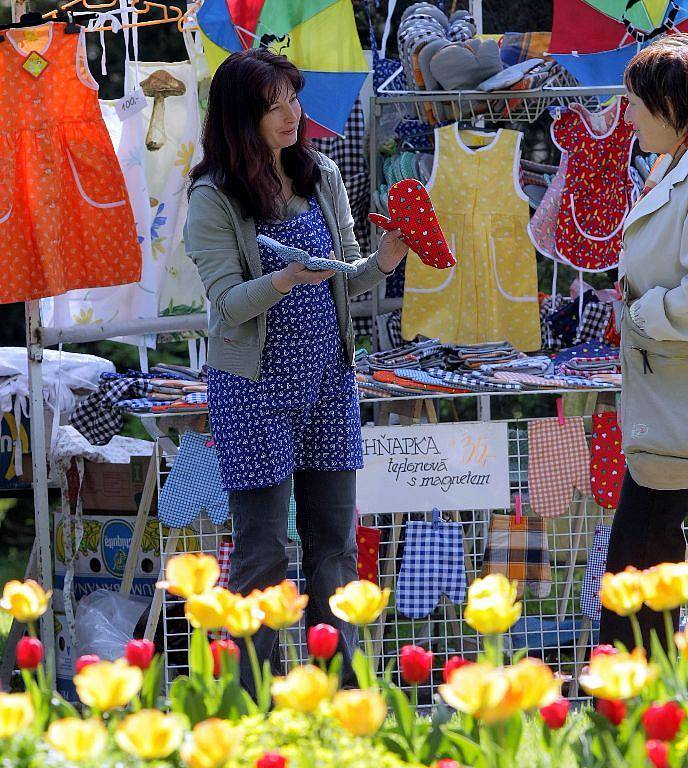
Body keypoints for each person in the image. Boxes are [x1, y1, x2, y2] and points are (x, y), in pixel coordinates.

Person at [184, 48, 407, 688]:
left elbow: (350, 277)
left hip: (328, 381)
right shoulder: (212, 196)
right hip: (253, 391)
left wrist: (386, 258)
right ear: (240, 116)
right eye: (274, 103)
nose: (292, 114)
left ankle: (339, 699)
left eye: (294, 99)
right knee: (262, 554)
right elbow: (225, 303)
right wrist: (283, 280)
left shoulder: (321, 175)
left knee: (334, 546)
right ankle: (255, 705)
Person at [599, 35, 688, 651]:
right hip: (665, 415)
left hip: (676, 420)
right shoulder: (666, 167)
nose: (627, 116)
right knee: (638, 589)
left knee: (634, 595)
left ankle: (630, 725)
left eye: (635, 103)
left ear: (670, 103)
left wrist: (642, 314)